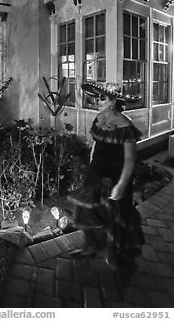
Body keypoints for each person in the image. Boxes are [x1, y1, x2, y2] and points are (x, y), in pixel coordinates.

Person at [68, 81, 145, 269]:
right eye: (96, 97)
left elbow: (129, 160)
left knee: (115, 216)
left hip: (115, 176)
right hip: (96, 172)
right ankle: (92, 245)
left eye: (102, 98)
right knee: (86, 209)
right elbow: (96, 143)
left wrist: (121, 185)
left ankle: (117, 252)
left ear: (113, 101)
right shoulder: (99, 118)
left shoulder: (126, 126)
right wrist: (92, 161)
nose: (97, 101)